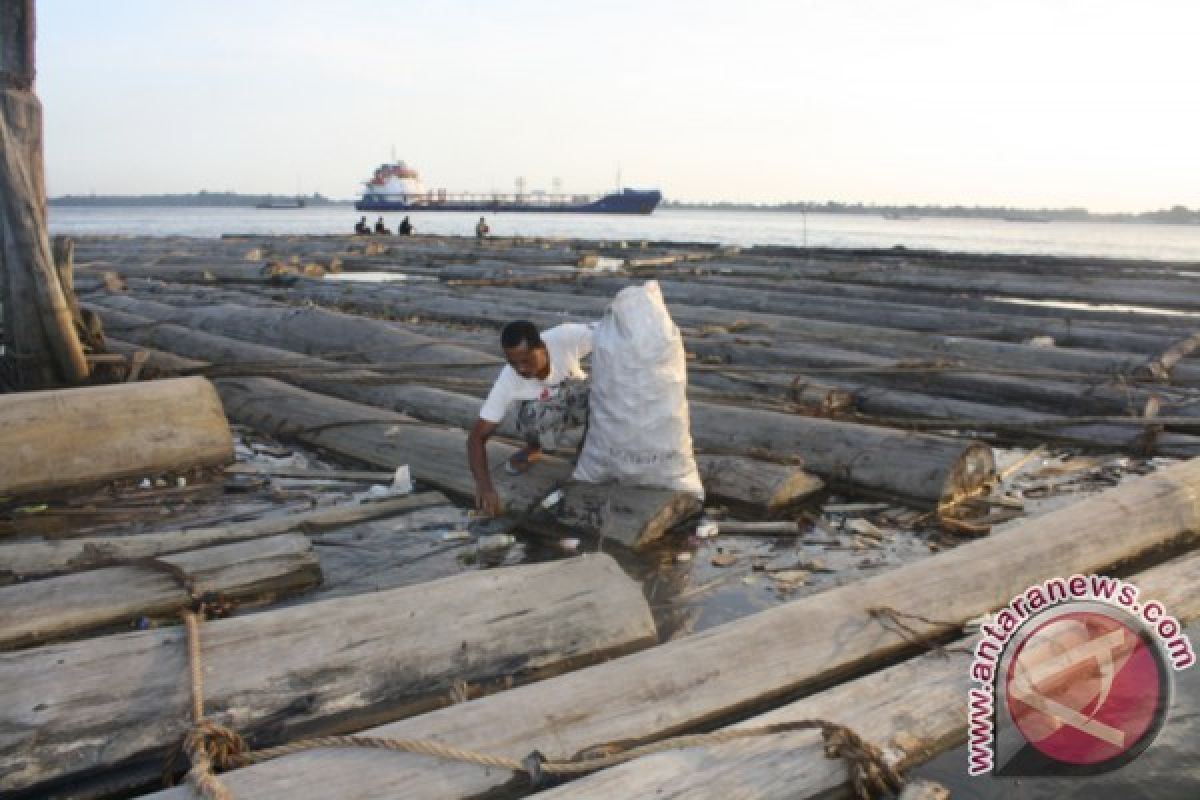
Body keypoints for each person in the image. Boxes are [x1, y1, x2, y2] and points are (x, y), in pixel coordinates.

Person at [467, 320, 593, 517]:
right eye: (514, 363)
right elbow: (476, 437)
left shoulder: (566, 337)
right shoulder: (509, 379)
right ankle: (535, 446)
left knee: (599, 394)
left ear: (542, 347)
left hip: (577, 401)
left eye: (526, 360)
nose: (521, 369)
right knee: (531, 416)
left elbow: (610, 334)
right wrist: (484, 486)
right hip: (543, 415)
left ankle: (585, 451)